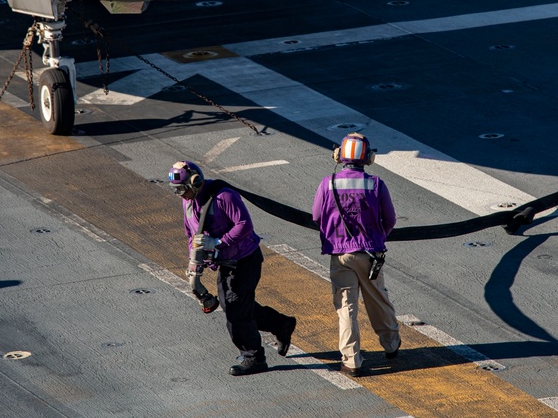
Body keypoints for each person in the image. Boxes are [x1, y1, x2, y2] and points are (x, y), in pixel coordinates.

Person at [168, 160, 296, 376]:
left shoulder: (224, 196)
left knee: (235, 311)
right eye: (176, 190)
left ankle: (253, 357)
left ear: (195, 182)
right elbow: (191, 234)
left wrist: (218, 242)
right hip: (224, 262)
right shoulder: (188, 201)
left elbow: (245, 225)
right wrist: (194, 259)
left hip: (244, 260)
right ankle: (280, 324)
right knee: (235, 307)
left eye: (182, 189)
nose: (180, 194)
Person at [312, 133, 401, 378]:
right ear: (368, 158)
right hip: (370, 253)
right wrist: (378, 237)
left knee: (346, 308)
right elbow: (390, 220)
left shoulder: (328, 183)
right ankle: (391, 344)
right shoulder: (376, 184)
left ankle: (352, 361)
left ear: (338, 156)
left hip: (340, 253)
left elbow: (316, 217)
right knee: (377, 298)